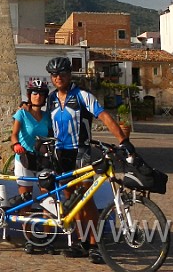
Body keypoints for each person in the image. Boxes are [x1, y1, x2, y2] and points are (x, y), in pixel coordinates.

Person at [45, 56, 132, 264]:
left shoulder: (83, 95)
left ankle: (94, 244)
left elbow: (105, 117)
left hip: (80, 152)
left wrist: (123, 140)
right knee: (71, 201)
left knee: (85, 199)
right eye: (55, 75)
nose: (59, 78)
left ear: (69, 75)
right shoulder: (51, 99)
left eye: (63, 74)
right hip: (59, 154)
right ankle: (81, 242)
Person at [10, 78, 51, 200]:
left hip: (42, 159)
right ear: (29, 95)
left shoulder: (46, 116)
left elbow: (50, 134)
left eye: (41, 94)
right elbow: (14, 134)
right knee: (26, 199)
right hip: (25, 159)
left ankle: (48, 218)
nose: (38, 96)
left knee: (48, 198)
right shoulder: (22, 114)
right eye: (34, 93)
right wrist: (16, 144)